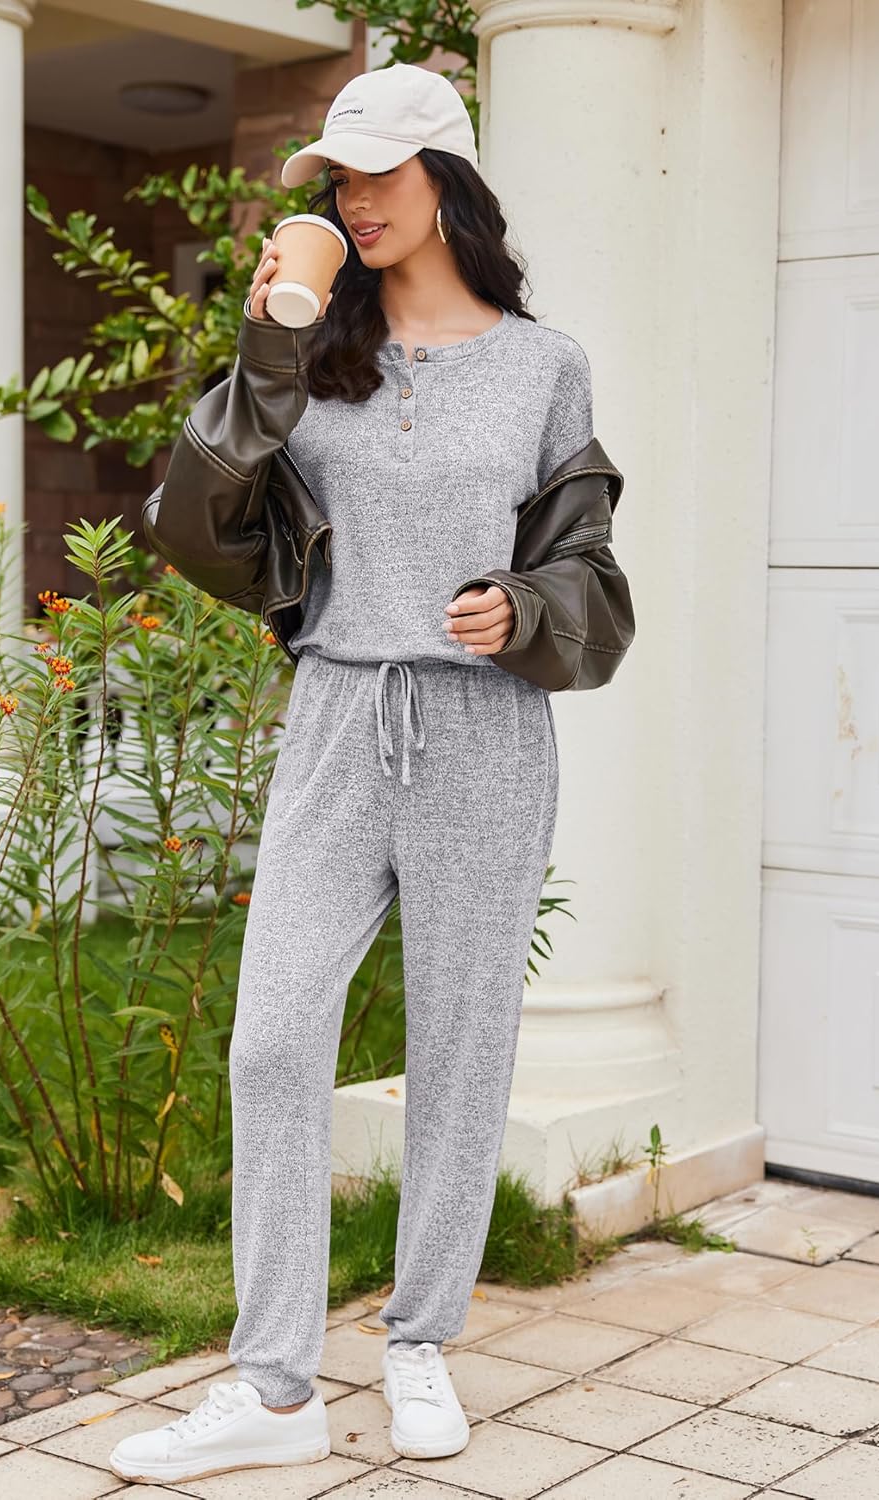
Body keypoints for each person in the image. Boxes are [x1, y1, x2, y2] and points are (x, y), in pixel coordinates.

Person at [108, 60, 633, 1488]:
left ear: (445, 182)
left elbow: (588, 569)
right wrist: (274, 331)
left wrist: (520, 611)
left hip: (481, 731)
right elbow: (192, 521)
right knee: (274, 1041)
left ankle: (419, 1340)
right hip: (339, 716)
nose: (352, 199)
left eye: (375, 174)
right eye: (335, 179)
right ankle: (274, 1387)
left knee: (462, 1047)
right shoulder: (306, 353)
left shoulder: (545, 364)